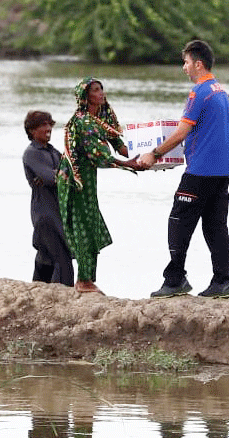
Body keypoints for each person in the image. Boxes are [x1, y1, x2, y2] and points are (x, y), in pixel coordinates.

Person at [139, 40, 229, 299]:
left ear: (198, 64)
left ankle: (175, 279)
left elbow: (182, 131)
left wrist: (154, 153)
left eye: (186, 62)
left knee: (178, 222)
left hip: (200, 172)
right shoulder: (220, 90)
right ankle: (222, 281)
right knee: (215, 226)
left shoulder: (199, 92)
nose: (184, 68)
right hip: (222, 171)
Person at [57, 77, 141, 294]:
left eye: (101, 89)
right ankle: (84, 281)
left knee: (91, 222)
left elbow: (119, 144)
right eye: (95, 90)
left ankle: (87, 279)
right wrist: (128, 165)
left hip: (88, 177)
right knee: (83, 225)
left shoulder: (103, 116)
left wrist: (151, 156)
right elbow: (99, 156)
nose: (101, 93)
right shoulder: (83, 122)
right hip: (74, 179)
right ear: (85, 97)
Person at [22, 110, 74, 287]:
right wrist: (59, 175)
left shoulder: (52, 151)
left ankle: (35, 292)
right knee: (63, 258)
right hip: (44, 215)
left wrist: (60, 175)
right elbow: (54, 179)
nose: (48, 128)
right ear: (31, 130)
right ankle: (64, 297)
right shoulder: (32, 153)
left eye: (49, 124)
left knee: (46, 258)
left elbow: (70, 173)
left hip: (56, 212)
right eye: (43, 125)